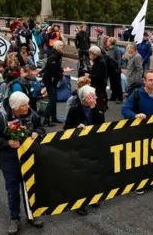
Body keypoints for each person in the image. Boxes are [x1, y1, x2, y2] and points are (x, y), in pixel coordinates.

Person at [0, 92, 45, 234]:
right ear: (15, 107)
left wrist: (38, 132)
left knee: (30, 187)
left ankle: (32, 214)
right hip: (9, 160)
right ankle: (14, 218)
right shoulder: (0, 116)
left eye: (27, 104)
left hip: (28, 158)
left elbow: (40, 127)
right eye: (24, 106)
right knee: (12, 191)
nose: (27, 107)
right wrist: (7, 143)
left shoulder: (31, 113)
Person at [121, 70, 153, 194]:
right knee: (141, 158)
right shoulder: (137, 94)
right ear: (144, 81)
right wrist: (135, 115)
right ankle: (139, 183)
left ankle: (152, 180)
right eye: (150, 80)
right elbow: (125, 110)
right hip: (140, 132)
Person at [64, 85, 105, 215]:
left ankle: (93, 197)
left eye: (94, 95)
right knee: (81, 174)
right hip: (79, 145)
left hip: (94, 144)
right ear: (84, 98)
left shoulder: (98, 108)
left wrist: (93, 108)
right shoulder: (74, 110)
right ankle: (80, 202)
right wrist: (76, 127)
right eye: (91, 96)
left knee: (94, 171)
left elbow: (101, 124)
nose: (95, 98)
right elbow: (66, 127)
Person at [42, 40, 65, 126]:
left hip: (53, 80)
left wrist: (62, 70)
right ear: (56, 46)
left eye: (62, 45)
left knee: (54, 99)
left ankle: (54, 117)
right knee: (52, 99)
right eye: (60, 45)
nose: (62, 47)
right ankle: (46, 120)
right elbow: (51, 70)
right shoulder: (53, 56)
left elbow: (55, 67)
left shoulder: (58, 55)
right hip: (50, 80)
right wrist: (60, 75)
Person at [85, 46, 108, 111]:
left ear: (95, 54)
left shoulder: (100, 62)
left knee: (99, 98)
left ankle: (100, 111)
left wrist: (89, 75)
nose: (89, 55)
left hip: (99, 84)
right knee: (100, 97)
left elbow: (99, 76)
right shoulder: (98, 60)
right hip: (99, 83)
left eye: (90, 54)